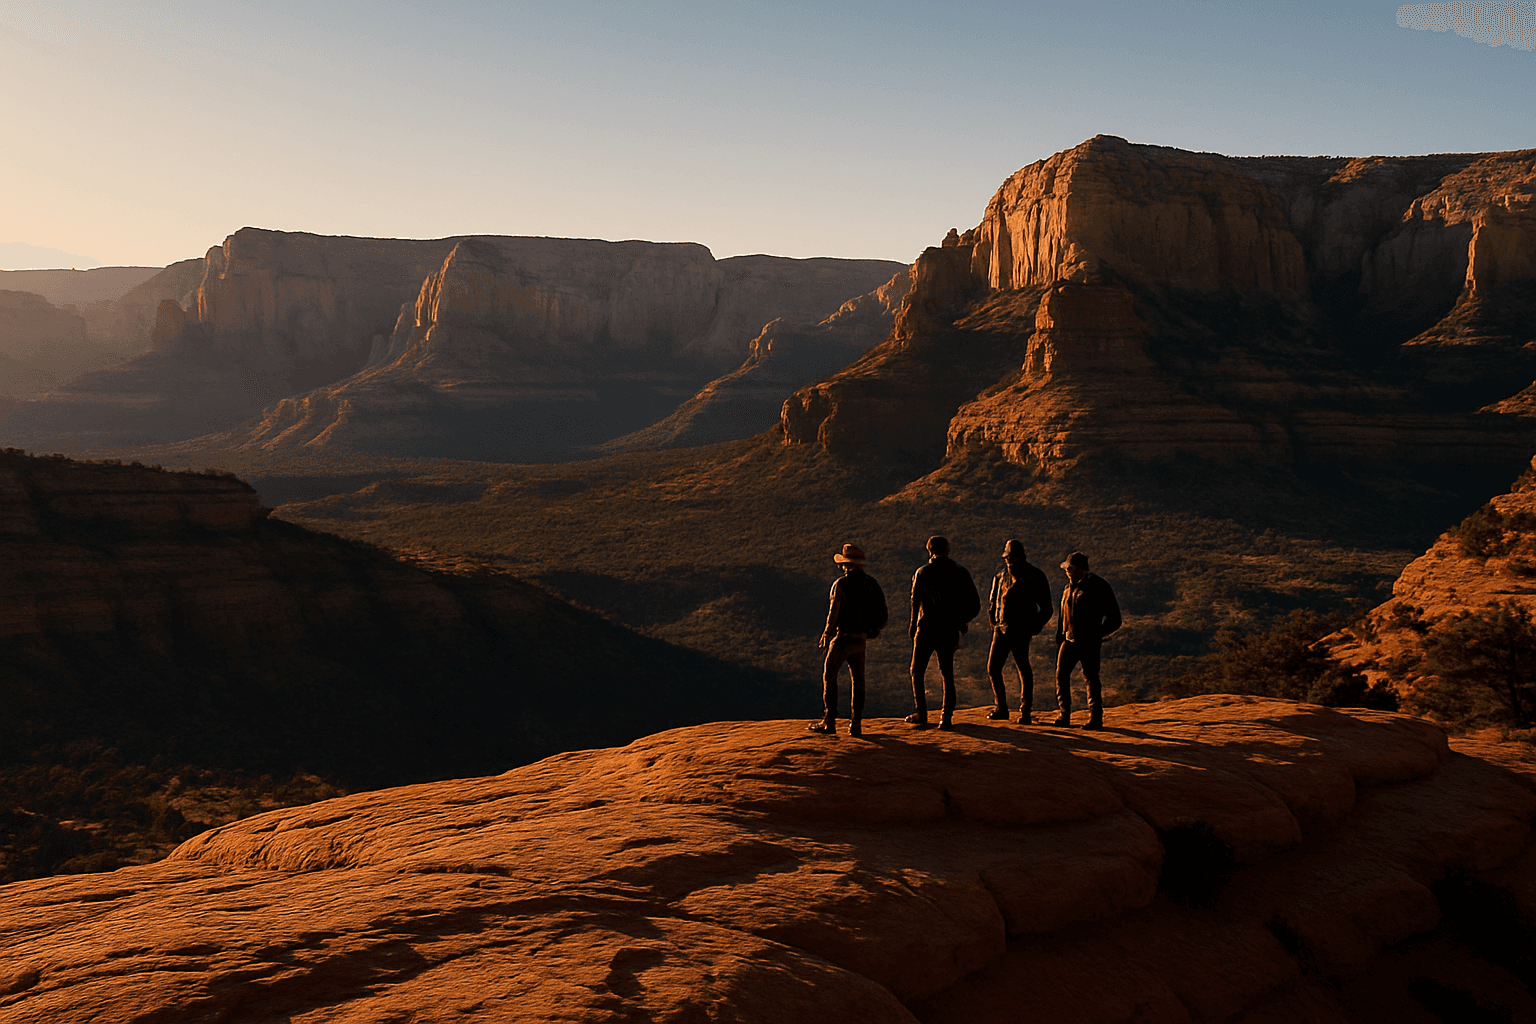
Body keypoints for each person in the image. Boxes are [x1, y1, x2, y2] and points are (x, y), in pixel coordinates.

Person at [809, 543, 888, 737]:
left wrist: (827, 633)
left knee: (829, 676)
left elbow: (834, 611)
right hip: (860, 640)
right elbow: (883, 614)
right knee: (858, 681)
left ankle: (829, 721)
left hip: (843, 638)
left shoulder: (841, 584)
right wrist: (872, 631)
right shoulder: (872, 584)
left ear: (846, 565)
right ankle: (856, 725)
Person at [907, 535, 981, 730]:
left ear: (929, 550)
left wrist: (913, 624)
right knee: (947, 673)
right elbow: (975, 604)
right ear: (947, 549)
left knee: (916, 670)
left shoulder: (922, 572)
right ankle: (946, 717)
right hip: (949, 629)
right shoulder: (960, 572)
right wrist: (961, 621)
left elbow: (914, 601)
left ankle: (920, 712)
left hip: (926, 628)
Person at [986, 540, 1054, 724]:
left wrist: (1033, 627)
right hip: (1001, 629)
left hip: (1021, 630)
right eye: (1007, 557)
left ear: (1021, 556)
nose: (1009, 560)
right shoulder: (1000, 577)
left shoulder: (1034, 576)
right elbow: (993, 603)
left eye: (1012, 556)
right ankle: (1001, 708)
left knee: (1023, 668)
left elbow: (1047, 608)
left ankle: (1025, 711)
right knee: (993, 668)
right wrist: (994, 622)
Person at [1052, 551, 1122, 730]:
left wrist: (1097, 634)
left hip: (1089, 643)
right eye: (1067, 568)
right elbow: (1063, 613)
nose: (1067, 571)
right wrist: (1060, 634)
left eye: (1070, 568)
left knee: (1091, 678)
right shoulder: (1068, 587)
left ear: (1080, 570)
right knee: (1061, 675)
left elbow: (1115, 618)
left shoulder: (1099, 586)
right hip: (1069, 640)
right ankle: (1064, 715)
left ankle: (1096, 719)